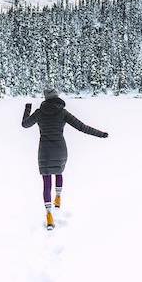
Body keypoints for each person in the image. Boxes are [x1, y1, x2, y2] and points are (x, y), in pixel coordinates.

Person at [22, 87, 108, 230]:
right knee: (59, 173)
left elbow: (25, 124)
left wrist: (27, 108)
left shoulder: (39, 113)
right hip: (60, 150)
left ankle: (49, 215)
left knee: (46, 180)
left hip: (45, 152)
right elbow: (82, 127)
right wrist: (101, 134)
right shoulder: (62, 112)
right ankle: (58, 197)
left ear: (45, 99)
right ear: (57, 97)